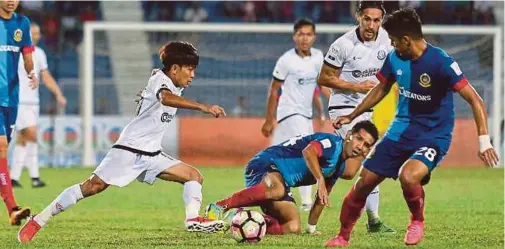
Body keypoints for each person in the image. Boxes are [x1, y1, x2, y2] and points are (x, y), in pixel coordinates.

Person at [18, 41, 228, 243]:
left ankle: (192, 219)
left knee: (194, 176)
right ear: (174, 68)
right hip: (129, 149)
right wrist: (203, 107)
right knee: (92, 187)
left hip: (152, 154)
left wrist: (146, 95)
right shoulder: (162, 82)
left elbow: (159, 89)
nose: (193, 75)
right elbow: (165, 98)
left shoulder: (167, 79)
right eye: (189, 69)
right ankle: (38, 220)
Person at [325, 8, 499, 247]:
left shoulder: (441, 62)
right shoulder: (395, 58)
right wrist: (352, 115)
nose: (393, 46)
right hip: (400, 130)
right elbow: (381, 88)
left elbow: (475, 100)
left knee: (408, 176)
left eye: (395, 42)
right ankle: (342, 237)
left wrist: (484, 141)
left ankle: (416, 221)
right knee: (364, 180)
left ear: (406, 40)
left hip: (433, 135)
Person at [206, 121, 379, 235]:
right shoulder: (332, 143)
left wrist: (311, 228)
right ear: (349, 134)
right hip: (265, 163)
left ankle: (237, 220)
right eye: (358, 139)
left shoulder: (339, 166)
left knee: (292, 227)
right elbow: (308, 151)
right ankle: (218, 208)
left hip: (279, 182)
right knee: (277, 188)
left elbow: (321, 197)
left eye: (366, 146)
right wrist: (319, 179)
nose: (360, 147)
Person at [317, 0, 393, 233]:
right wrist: (356, 87)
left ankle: (373, 218)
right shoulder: (343, 44)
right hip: (343, 108)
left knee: (357, 166)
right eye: (367, 19)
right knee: (367, 161)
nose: (371, 25)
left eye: (377, 20)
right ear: (358, 16)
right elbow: (324, 78)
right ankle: (373, 220)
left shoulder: (387, 40)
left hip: (368, 109)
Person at [261, 18, 327, 212]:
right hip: (289, 113)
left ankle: (267, 194)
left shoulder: (318, 57)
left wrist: (325, 111)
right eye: (300, 34)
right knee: (305, 151)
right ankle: (306, 200)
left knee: (272, 156)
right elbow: (273, 90)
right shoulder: (286, 60)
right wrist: (268, 119)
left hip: (305, 115)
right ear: (294, 37)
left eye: (308, 34)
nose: (304, 38)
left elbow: (319, 87)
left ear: (314, 37)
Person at [10, 23, 67, 189]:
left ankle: (14, 177)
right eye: (33, 33)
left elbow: (46, 76)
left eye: (38, 33)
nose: (37, 35)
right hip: (19, 100)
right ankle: (35, 177)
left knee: (23, 140)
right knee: (32, 136)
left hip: (33, 102)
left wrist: (58, 93)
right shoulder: (15, 52)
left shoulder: (40, 53)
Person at [0, 0, 38, 226]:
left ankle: (11, 209)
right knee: (2, 147)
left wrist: (31, 72)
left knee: (3, 155)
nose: (12, 1)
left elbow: (27, 55)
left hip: (11, 98)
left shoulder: (22, 23)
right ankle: (12, 208)